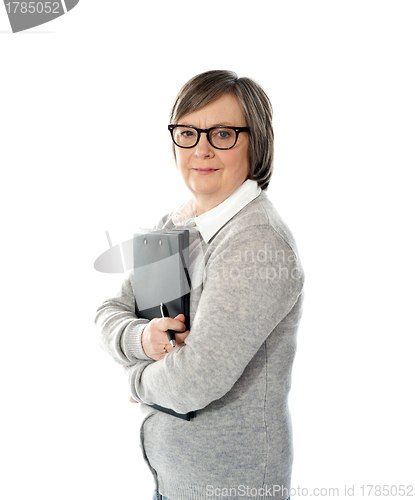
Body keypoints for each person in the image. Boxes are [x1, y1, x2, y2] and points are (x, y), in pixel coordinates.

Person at [95, 70, 304, 500]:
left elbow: (196, 380)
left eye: (223, 133)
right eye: (187, 132)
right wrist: (143, 339)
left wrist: (134, 379)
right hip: (172, 483)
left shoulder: (257, 242)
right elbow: (108, 313)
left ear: (256, 142)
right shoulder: (176, 224)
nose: (201, 149)